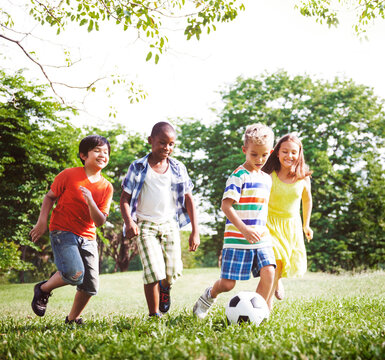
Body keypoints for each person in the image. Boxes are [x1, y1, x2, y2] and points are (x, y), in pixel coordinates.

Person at [193, 123, 276, 319]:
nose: (259, 159)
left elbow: (262, 210)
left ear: (270, 152)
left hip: (261, 238)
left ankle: (258, 314)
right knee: (228, 284)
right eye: (254, 154)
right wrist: (245, 230)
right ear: (244, 150)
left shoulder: (267, 179)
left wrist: (262, 231)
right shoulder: (238, 176)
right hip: (237, 239)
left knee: (269, 272)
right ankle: (207, 298)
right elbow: (226, 206)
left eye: (264, 155)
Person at [30, 135, 113, 324]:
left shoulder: (107, 187)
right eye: (97, 150)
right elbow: (49, 197)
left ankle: (72, 319)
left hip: (88, 237)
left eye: (106, 152)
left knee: (90, 286)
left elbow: (99, 221)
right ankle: (43, 289)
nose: (102, 155)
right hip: (62, 231)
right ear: (84, 155)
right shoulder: (69, 175)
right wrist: (42, 222)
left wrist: (91, 201)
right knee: (75, 274)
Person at [120, 121, 200, 317]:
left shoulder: (178, 168)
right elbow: (124, 199)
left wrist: (195, 231)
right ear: (151, 141)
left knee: (172, 272)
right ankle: (154, 313)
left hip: (170, 224)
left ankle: (166, 288)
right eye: (162, 142)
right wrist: (129, 222)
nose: (167, 148)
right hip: (145, 225)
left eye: (171, 144)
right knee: (153, 271)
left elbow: (189, 199)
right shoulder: (138, 167)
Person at [261, 133, 313, 309]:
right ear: (277, 153)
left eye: (293, 152)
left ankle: (277, 281)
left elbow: (307, 200)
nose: (289, 156)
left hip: (291, 225)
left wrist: (306, 224)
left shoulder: (303, 177)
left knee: (283, 261)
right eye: (284, 151)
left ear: (299, 154)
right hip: (269, 224)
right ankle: (266, 308)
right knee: (274, 261)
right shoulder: (269, 175)